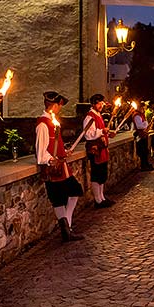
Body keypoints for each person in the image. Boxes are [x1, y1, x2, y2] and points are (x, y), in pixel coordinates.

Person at [35, 91, 84, 242]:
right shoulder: (43, 124)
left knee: (70, 193)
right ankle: (66, 227)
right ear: (54, 105)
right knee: (61, 198)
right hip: (52, 170)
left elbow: (55, 145)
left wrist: (64, 152)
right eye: (59, 105)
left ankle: (66, 226)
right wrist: (51, 160)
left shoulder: (52, 121)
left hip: (61, 167)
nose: (60, 108)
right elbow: (41, 152)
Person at [84, 93, 116, 208]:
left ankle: (102, 197)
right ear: (93, 104)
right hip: (95, 150)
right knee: (96, 175)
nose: (101, 105)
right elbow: (88, 135)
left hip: (102, 149)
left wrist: (108, 133)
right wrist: (102, 132)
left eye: (102, 103)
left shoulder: (98, 115)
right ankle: (97, 200)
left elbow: (102, 131)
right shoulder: (89, 117)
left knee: (102, 174)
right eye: (99, 103)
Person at [133, 101, 154, 171]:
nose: (144, 109)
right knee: (142, 151)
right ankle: (143, 165)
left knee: (145, 150)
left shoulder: (141, 115)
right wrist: (146, 123)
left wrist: (149, 123)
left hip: (144, 135)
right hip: (140, 135)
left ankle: (146, 164)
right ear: (140, 107)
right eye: (143, 108)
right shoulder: (136, 115)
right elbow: (140, 126)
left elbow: (145, 125)